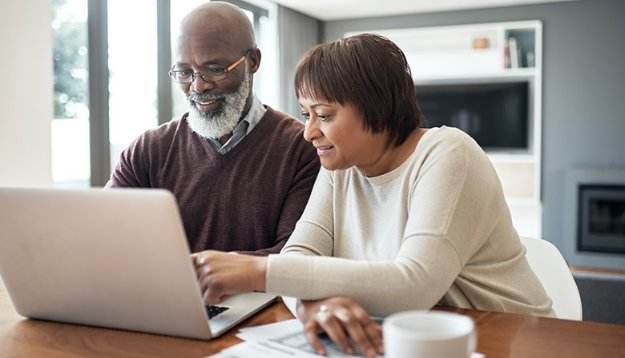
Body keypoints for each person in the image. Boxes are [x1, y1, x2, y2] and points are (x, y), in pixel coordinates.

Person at [192, 33, 554, 356]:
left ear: (376, 106)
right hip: (409, 338)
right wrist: (314, 307)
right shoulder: (341, 168)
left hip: (511, 339)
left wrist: (257, 271)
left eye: (324, 115)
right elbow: (299, 256)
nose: (309, 132)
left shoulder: (448, 153)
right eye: (306, 114)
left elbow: (413, 285)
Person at [105, 2, 319, 255]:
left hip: (262, 296)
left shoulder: (302, 148)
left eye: (215, 70)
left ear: (253, 61)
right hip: (160, 293)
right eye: (185, 72)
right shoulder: (147, 150)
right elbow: (106, 235)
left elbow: (294, 256)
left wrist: (193, 271)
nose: (198, 87)